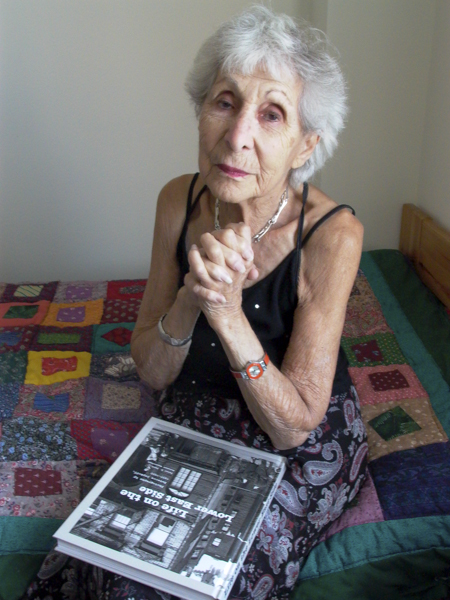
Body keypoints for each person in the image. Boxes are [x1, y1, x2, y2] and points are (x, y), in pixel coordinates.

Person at [22, 6, 367, 600]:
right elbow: (153, 370)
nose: (237, 136)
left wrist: (228, 313)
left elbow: (293, 428)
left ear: (305, 144)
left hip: (297, 440)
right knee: (113, 564)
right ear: (201, 109)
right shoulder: (177, 201)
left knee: (210, 578)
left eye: (272, 114)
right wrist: (190, 296)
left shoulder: (333, 235)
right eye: (224, 102)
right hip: (195, 416)